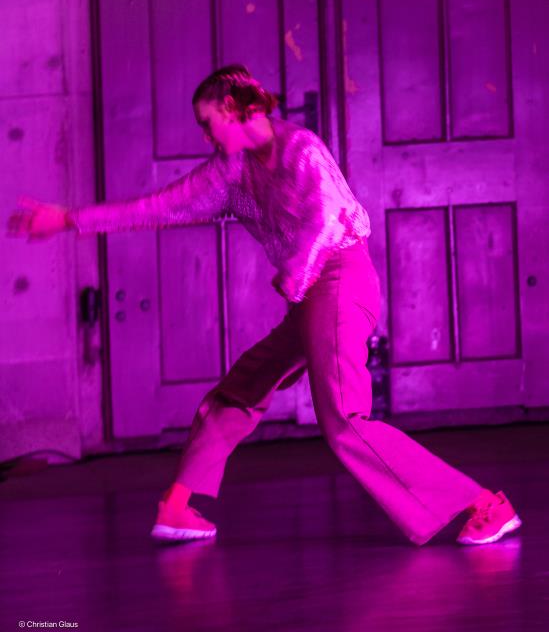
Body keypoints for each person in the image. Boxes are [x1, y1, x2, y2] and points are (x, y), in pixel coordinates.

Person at [7, 64, 522, 547]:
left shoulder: (301, 148)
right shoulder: (231, 170)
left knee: (344, 419)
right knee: (243, 386)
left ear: (234, 109)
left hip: (342, 280)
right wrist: (69, 219)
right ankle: (178, 504)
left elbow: (326, 219)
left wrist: (296, 272)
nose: (205, 137)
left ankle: (483, 505)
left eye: (208, 124)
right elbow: (161, 205)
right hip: (312, 293)